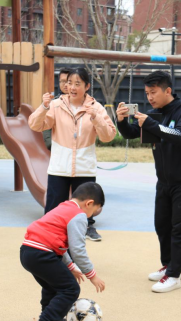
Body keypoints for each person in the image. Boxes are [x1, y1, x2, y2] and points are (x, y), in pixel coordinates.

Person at [116, 70, 181, 293]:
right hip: (164, 181)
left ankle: (174, 275)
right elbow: (131, 134)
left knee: (180, 229)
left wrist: (151, 124)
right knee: (162, 225)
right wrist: (121, 121)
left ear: (167, 90)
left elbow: (180, 135)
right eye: (146, 93)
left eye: (153, 92)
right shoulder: (156, 113)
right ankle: (168, 266)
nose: (150, 98)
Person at [28, 67, 116, 242]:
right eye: (69, 83)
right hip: (59, 167)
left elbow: (109, 136)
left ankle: (86, 229)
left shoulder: (95, 107)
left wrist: (96, 118)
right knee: (54, 209)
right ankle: (48, 239)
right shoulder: (55, 105)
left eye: (77, 83)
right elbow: (35, 125)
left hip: (84, 168)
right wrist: (44, 107)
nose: (72, 87)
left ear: (87, 86)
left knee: (84, 208)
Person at [21, 182, 106, 321]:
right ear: (89, 203)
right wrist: (92, 275)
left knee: (52, 286)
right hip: (43, 254)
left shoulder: (63, 207)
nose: (90, 216)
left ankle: (53, 320)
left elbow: (58, 245)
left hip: (28, 252)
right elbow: (78, 250)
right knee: (70, 289)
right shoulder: (79, 215)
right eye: (93, 212)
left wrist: (71, 267)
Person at [42, 68, 71, 151]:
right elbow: (46, 127)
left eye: (68, 81)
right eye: (62, 81)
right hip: (58, 149)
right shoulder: (53, 103)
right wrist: (51, 145)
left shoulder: (82, 103)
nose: (65, 84)